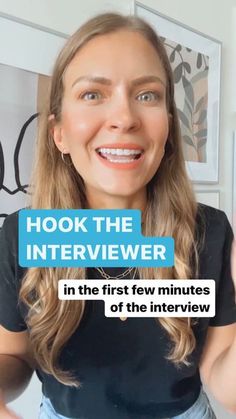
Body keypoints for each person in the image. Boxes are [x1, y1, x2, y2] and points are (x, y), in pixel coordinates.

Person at [0, 12, 236, 419]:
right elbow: (14, 357)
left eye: (147, 95)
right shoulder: (23, 236)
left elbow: (221, 376)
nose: (125, 118)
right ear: (59, 133)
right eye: (93, 94)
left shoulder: (209, 232)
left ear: (167, 129)